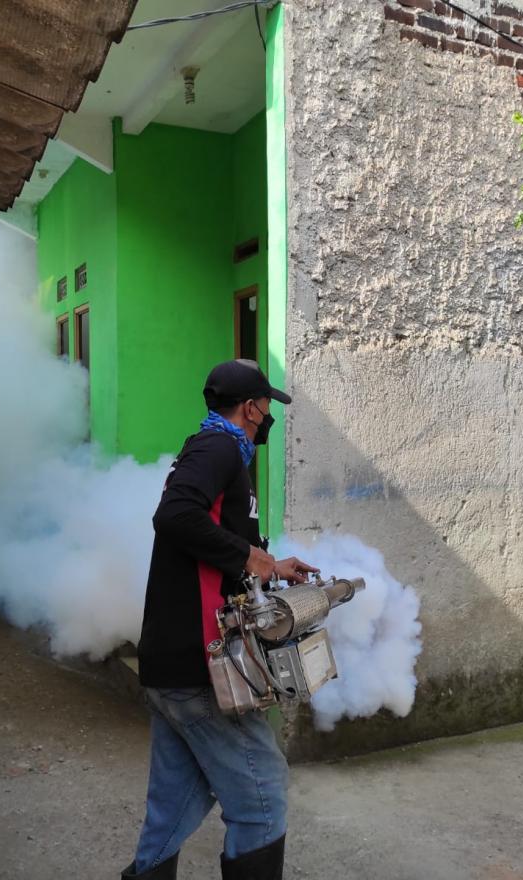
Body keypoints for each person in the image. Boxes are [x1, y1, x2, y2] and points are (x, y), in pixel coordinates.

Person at [122, 359, 317, 880]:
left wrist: (269, 563)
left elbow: (212, 541)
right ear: (251, 407)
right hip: (202, 665)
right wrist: (250, 557)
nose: (270, 414)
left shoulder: (217, 449)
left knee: (173, 805)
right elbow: (174, 516)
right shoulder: (218, 449)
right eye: (267, 405)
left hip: (175, 665)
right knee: (262, 798)